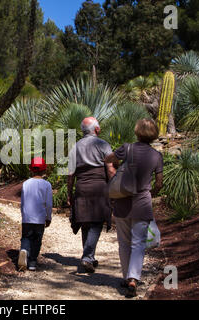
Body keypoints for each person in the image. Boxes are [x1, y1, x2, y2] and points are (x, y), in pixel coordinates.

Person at [104, 119, 163, 298]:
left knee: (124, 242)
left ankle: (126, 276)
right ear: (154, 135)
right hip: (143, 202)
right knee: (138, 243)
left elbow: (108, 159)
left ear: (137, 132)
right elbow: (159, 184)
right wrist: (149, 191)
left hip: (123, 201)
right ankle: (133, 278)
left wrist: (114, 173)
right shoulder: (156, 156)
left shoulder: (126, 148)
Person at [67, 117, 116, 273]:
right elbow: (110, 169)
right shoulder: (103, 145)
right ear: (96, 129)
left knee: (85, 222)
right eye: (99, 127)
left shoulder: (75, 147)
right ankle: (87, 257)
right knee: (96, 222)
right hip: (99, 187)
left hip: (81, 186)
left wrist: (70, 193)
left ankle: (89, 256)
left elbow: (70, 174)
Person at [18, 157, 53, 271]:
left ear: (31, 170)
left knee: (26, 237)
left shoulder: (25, 184)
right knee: (37, 240)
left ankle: (24, 250)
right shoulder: (47, 185)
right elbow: (48, 203)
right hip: (40, 218)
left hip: (27, 217)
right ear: (44, 170)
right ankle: (32, 262)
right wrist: (48, 217)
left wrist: (23, 214)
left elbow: (22, 202)